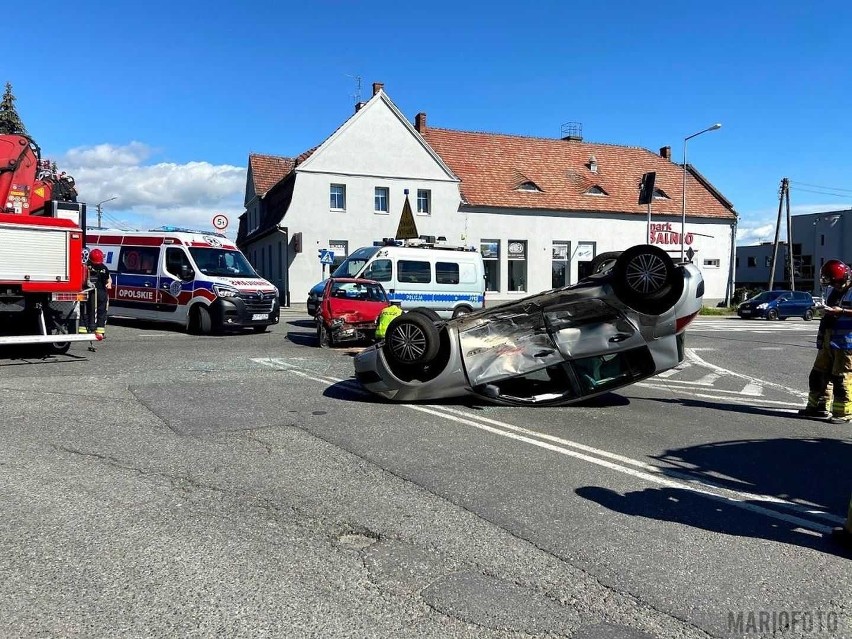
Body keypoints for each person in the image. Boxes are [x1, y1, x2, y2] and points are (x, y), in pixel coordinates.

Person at [799, 259, 852, 423]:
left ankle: (843, 413)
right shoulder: (833, 291)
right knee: (818, 375)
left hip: (847, 343)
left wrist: (841, 311)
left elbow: (842, 312)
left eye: (835, 282)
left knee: (841, 378)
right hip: (830, 339)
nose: (834, 286)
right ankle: (818, 407)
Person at [79, 248, 112, 337]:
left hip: (88, 292)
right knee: (101, 312)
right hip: (101, 293)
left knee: (85, 309)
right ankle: (99, 331)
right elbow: (106, 281)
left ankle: (83, 328)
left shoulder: (85, 267)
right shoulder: (104, 268)